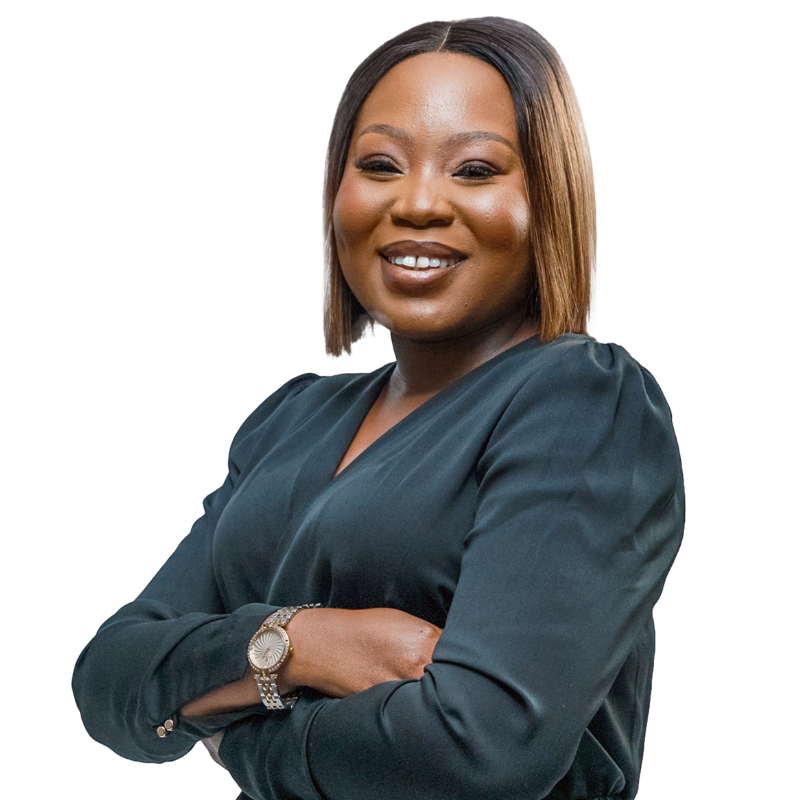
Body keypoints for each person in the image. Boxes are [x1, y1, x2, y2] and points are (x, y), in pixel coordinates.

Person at [72, 16, 684, 800]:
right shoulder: (292, 421)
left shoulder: (585, 405)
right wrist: (298, 644)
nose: (419, 203)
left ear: (548, 201)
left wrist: (234, 738)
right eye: (381, 165)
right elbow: (111, 678)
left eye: (474, 169)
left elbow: (479, 752)